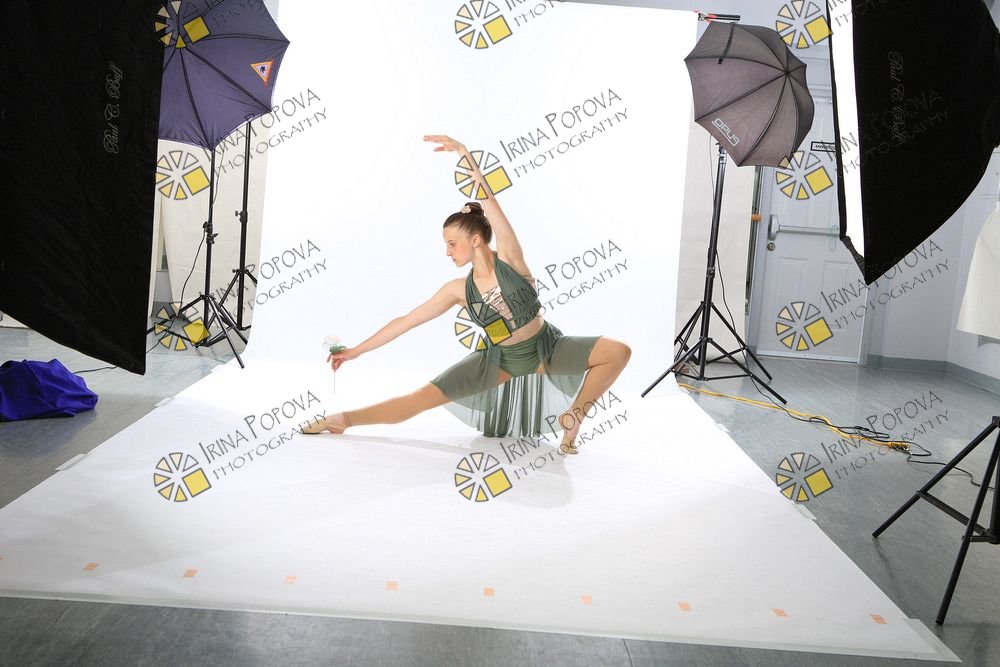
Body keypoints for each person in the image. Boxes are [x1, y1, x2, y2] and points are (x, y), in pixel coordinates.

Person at [301, 134, 631, 455]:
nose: (447, 252)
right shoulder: (457, 290)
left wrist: (464, 154)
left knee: (618, 351)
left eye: (452, 243)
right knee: (419, 399)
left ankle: (574, 417)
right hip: (499, 360)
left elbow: (492, 203)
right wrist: (356, 351)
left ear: (475, 240)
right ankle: (341, 421)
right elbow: (406, 321)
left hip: (547, 348)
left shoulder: (511, 261)